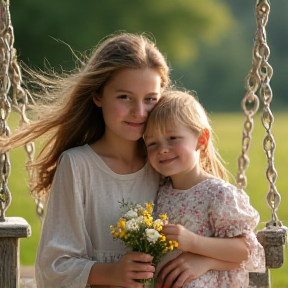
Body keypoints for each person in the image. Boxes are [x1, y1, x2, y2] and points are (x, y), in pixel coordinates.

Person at [1, 32, 236, 288]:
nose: (139, 112)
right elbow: (52, 268)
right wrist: (111, 272)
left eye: (150, 99)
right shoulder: (78, 166)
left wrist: (205, 261)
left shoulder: (165, 164)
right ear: (98, 96)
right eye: (124, 97)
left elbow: (229, 241)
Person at [143, 90, 266, 288]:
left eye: (173, 138)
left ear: (201, 139)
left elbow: (245, 250)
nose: (162, 149)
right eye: (152, 143)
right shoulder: (159, 192)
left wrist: (196, 247)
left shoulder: (218, 194)